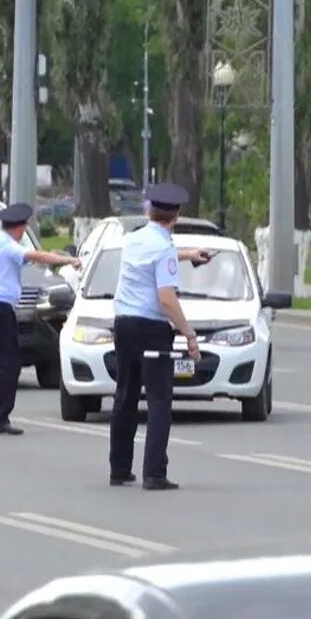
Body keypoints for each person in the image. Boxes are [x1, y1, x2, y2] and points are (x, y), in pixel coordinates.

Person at [108, 183, 209, 491]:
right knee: (159, 399)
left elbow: (156, 255)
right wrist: (189, 334)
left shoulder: (133, 239)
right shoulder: (164, 249)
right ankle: (154, 472)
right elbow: (166, 298)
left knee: (125, 395)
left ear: (149, 211)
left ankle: (119, 469)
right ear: (176, 216)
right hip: (151, 329)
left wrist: (188, 254)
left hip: (124, 324)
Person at [0, 202, 80, 435]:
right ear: (20, 228)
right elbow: (36, 256)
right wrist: (69, 261)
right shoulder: (8, 246)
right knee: (7, 365)